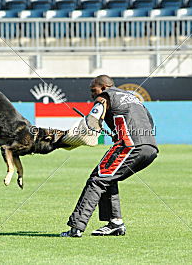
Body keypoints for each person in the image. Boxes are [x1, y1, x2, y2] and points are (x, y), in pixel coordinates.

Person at [60, 75, 159, 237]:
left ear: (104, 87)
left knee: (97, 179)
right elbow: (148, 122)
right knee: (108, 177)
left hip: (129, 145)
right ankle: (115, 223)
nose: (92, 95)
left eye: (94, 90)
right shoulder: (133, 98)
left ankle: (76, 228)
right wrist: (118, 133)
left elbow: (93, 120)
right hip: (150, 147)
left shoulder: (104, 96)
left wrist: (76, 135)